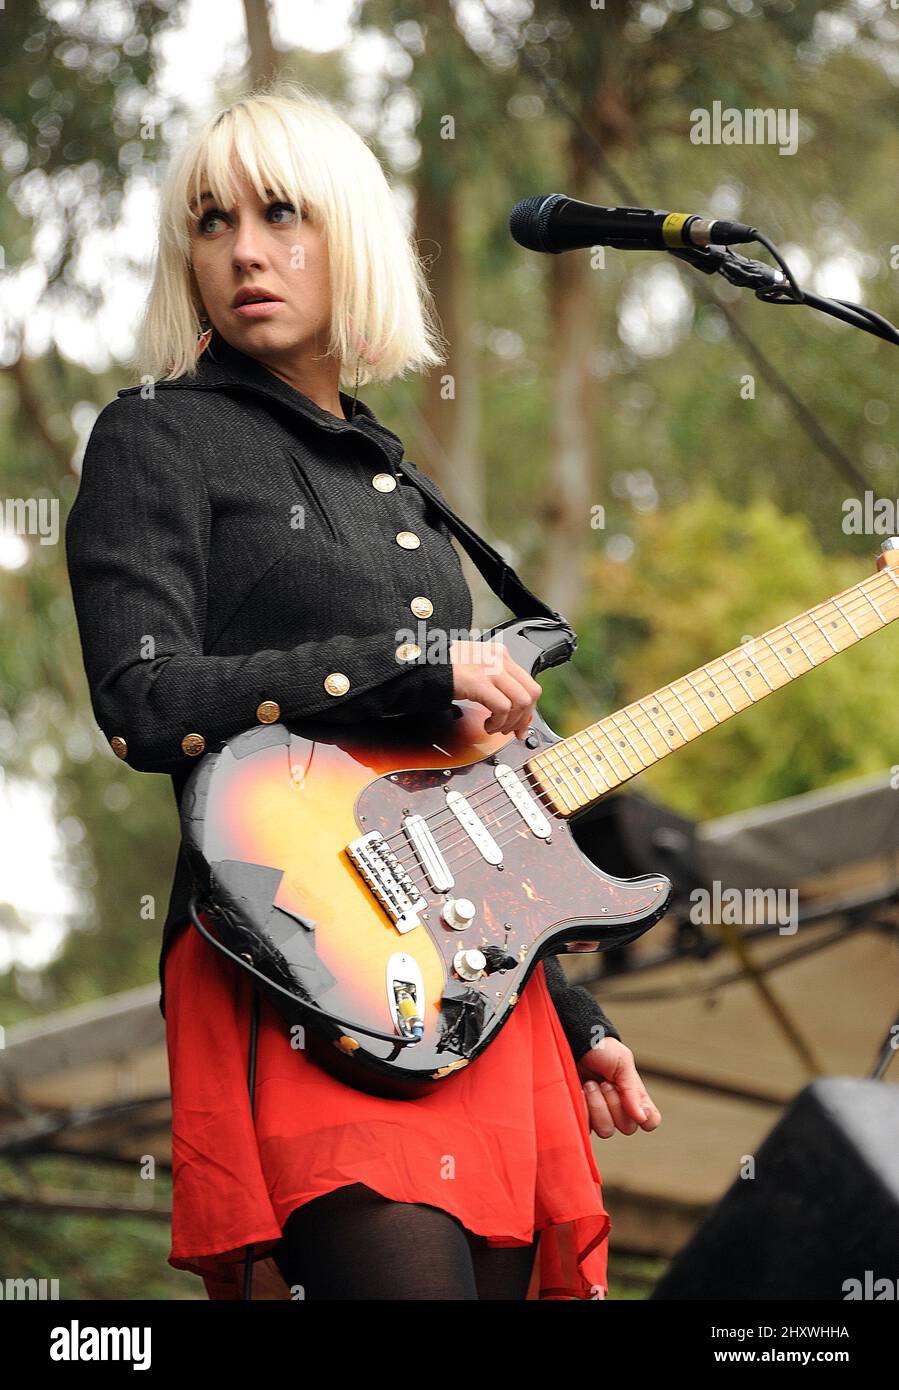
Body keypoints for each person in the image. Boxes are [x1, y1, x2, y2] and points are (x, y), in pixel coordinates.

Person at [65, 83, 661, 1302]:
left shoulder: (397, 487)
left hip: (465, 1001)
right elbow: (141, 697)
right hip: (295, 958)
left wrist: (571, 1010)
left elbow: (445, 815)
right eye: (211, 221)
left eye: (282, 215)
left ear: (352, 236)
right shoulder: (155, 436)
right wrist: (408, 663)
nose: (242, 251)